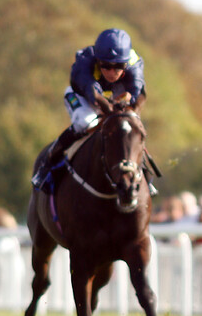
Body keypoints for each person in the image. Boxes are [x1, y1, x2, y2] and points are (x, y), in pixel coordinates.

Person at [30, 28, 156, 194]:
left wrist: (123, 105)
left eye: (118, 66)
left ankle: (144, 169)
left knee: (129, 125)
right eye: (106, 66)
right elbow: (94, 94)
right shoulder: (84, 61)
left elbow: (135, 92)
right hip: (82, 95)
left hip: (114, 96)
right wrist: (110, 108)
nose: (112, 72)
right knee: (86, 121)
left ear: (126, 62)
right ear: (98, 60)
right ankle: (46, 164)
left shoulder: (135, 63)